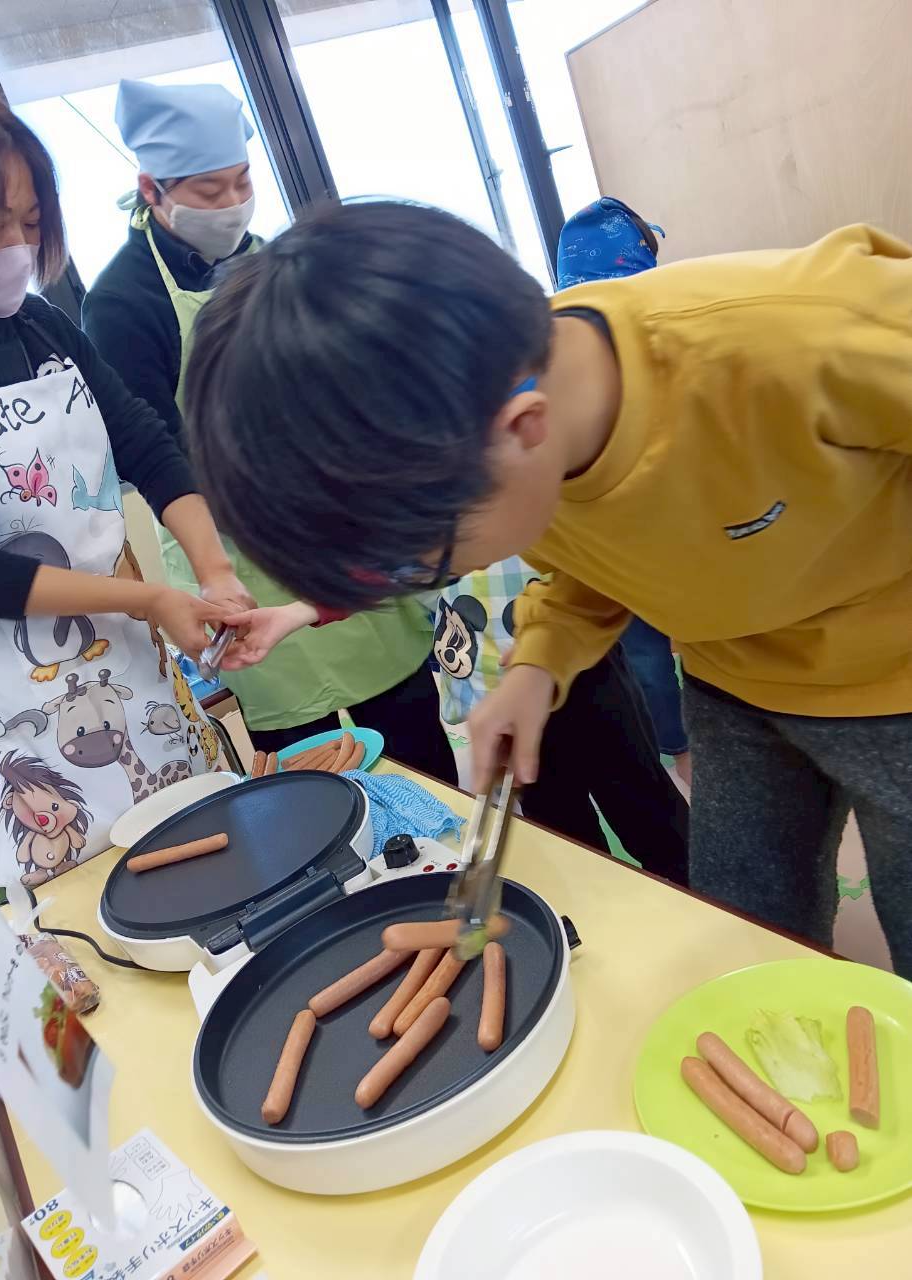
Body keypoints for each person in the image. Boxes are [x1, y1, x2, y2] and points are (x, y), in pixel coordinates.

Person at [184, 201, 912, 979]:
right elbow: (599, 561)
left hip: (894, 683)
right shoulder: (511, 444)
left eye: (424, 564)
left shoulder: (793, 336)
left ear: (524, 430)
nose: (423, 580)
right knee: (753, 929)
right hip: (734, 685)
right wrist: (538, 667)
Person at [83, 81, 455, 782]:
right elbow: (153, 449)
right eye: (209, 190)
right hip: (232, 552)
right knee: (307, 767)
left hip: (338, 534)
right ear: (152, 189)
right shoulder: (123, 301)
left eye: (242, 183)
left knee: (413, 735)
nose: (231, 203)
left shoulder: (274, 263)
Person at [0, 80, 251, 891]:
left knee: (207, 849)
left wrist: (213, 570)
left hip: (132, 658)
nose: (16, 245)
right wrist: (147, 598)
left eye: (29, 222)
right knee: (100, 891)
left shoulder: (41, 325)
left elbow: (147, 443)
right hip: (20, 696)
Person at [429, 556, 689, 883]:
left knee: (644, 805)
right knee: (561, 827)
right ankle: (597, 895)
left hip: (584, 662)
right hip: (497, 687)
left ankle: (694, 892)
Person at [558, 196, 692, 787]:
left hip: (667, 531)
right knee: (647, 653)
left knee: (672, 648)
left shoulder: (670, 336)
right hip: (622, 538)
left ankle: (680, 745)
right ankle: (677, 747)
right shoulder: (570, 358)